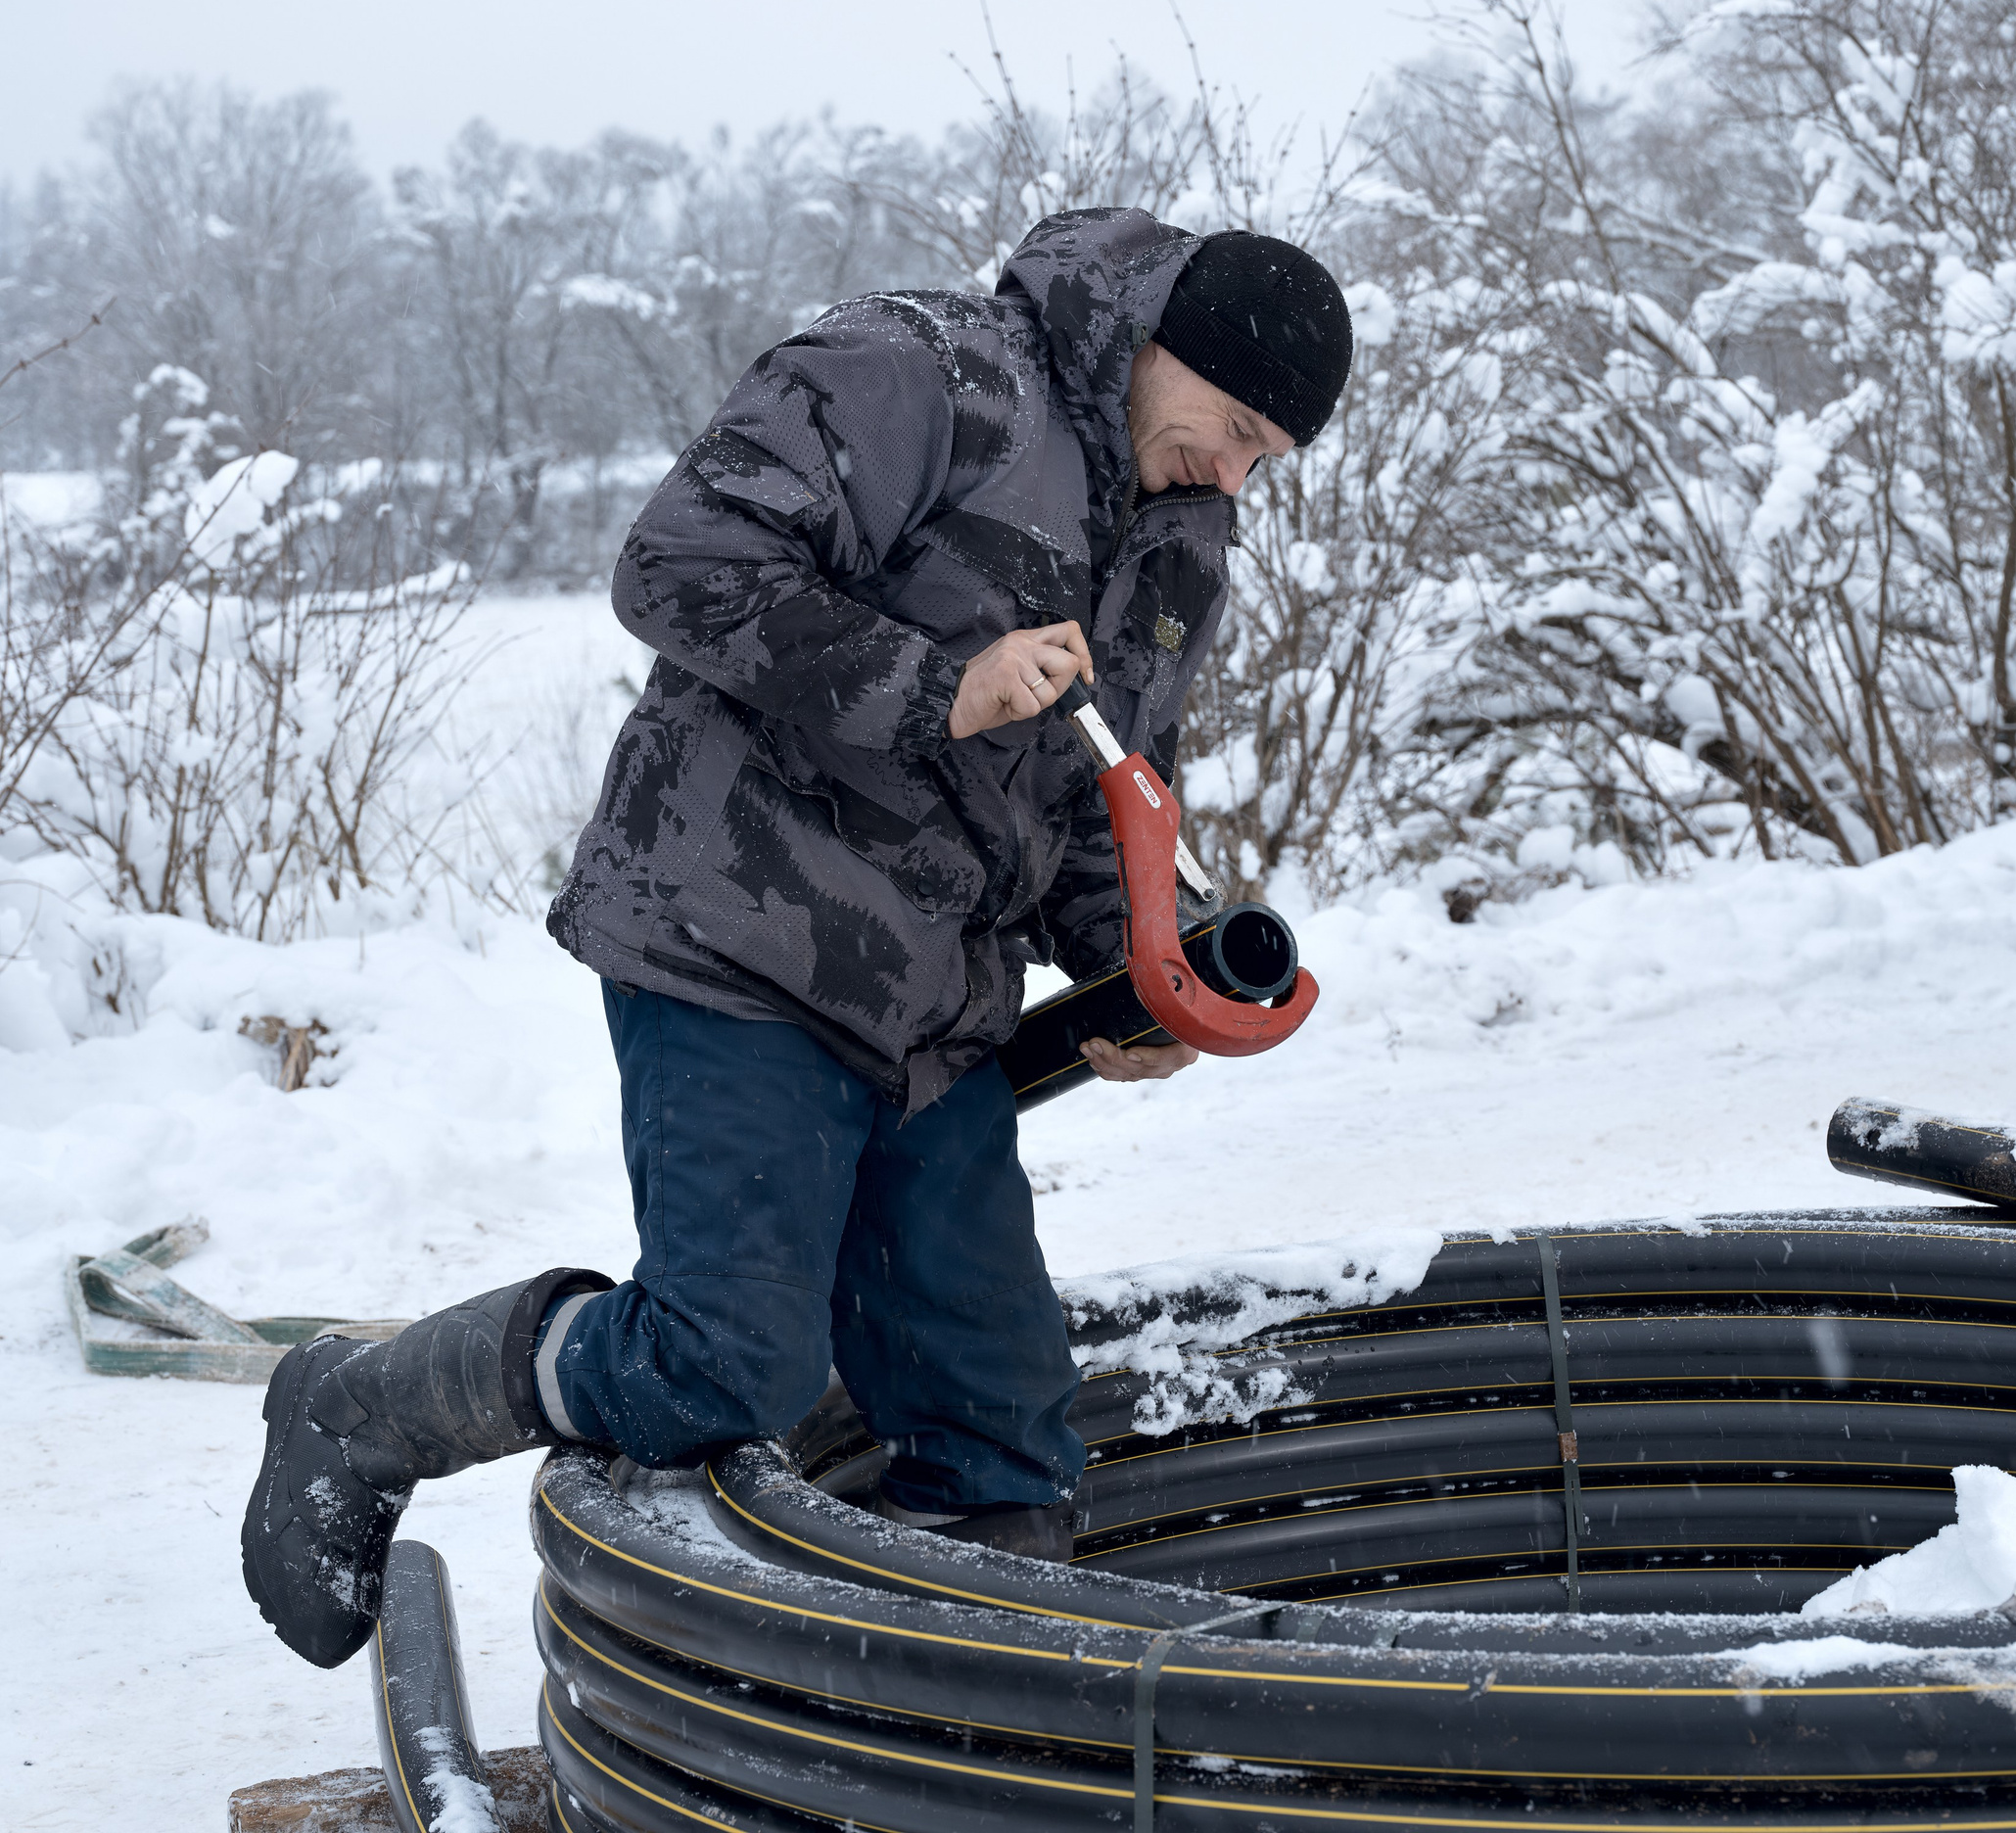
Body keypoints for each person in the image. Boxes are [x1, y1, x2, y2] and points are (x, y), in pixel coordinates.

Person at [241, 209, 1353, 1668]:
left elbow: (1098, 797)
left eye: (1270, 454)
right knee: (730, 1361)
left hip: (932, 1015)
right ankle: (362, 1404)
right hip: (735, 938)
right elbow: (678, 565)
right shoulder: (927, 372)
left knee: (1005, 1430)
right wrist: (933, 685)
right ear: (1160, 347)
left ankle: (935, 1762)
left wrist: (1141, 974)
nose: (1237, 470)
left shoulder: (1178, 547)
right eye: (1234, 425)